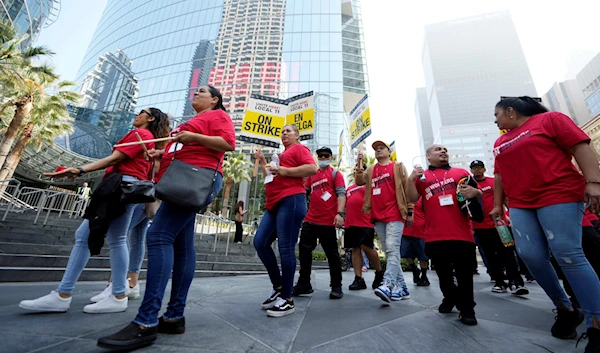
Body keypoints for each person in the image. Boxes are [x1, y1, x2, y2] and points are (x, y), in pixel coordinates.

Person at [98, 86, 235, 351]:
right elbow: (191, 147)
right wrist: (165, 153)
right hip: (185, 175)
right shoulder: (197, 120)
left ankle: (146, 322)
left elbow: (228, 143)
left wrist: (192, 136)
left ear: (215, 100)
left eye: (202, 91)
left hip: (195, 178)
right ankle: (173, 317)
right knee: (183, 247)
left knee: (158, 235)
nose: (196, 93)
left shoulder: (218, 115)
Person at [19, 108, 170, 314]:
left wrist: (80, 170)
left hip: (120, 187)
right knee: (114, 239)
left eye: (141, 112)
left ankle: (66, 295)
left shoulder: (141, 135)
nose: (136, 114)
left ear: (150, 118)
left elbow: (113, 160)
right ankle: (116, 294)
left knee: (86, 236)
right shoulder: (149, 138)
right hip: (128, 187)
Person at [489, 96, 600, 351]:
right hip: (520, 203)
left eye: (497, 115)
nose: (495, 120)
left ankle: (597, 323)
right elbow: (499, 175)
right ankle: (566, 309)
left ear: (510, 110)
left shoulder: (551, 119)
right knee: (530, 255)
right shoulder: (499, 142)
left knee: (568, 254)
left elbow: (581, 147)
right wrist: (497, 204)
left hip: (558, 193)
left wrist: (593, 182)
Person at [406, 144, 482, 326]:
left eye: (445, 150)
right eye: (438, 150)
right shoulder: (422, 177)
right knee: (443, 275)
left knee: (464, 274)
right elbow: (411, 198)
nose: (443, 152)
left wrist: (476, 192)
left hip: (461, 234)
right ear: (428, 156)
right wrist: (411, 179)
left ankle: (467, 309)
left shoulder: (460, 172)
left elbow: (477, 194)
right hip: (434, 235)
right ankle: (450, 297)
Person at [253, 124, 317, 317]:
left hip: (291, 200)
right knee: (260, 242)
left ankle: (287, 299)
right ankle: (279, 286)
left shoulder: (299, 149)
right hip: (273, 204)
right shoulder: (279, 157)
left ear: (297, 136)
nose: (284, 134)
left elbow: (312, 168)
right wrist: (264, 161)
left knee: (286, 248)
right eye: (282, 132)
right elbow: (270, 179)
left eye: (288, 131)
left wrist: (285, 171)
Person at [355, 140, 413, 303]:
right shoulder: (372, 169)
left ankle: (387, 285)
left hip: (395, 213)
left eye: (382, 148)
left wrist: (410, 211)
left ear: (389, 151)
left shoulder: (398, 167)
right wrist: (359, 163)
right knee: (390, 251)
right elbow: (359, 181)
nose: (378, 151)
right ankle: (403, 288)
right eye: (376, 149)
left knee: (392, 250)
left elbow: (407, 189)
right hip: (377, 215)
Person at [469, 160, 528, 295]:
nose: (477, 171)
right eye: (474, 169)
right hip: (480, 227)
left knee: (508, 252)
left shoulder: (494, 182)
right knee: (490, 255)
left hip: (501, 225)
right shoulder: (469, 185)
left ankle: (516, 282)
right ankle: (499, 282)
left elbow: (505, 199)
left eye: (479, 168)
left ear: (484, 169)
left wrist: (513, 215)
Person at [294, 146, 346, 299]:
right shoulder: (312, 175)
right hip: (310, 220)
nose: (323, 158)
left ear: (330, 157)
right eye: (320, 156)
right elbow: (304, 192)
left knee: (332, 255)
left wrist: (340, 213)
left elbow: (342, 194)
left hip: (327, 221)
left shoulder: (336, 174)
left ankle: (336, 286)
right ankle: (304, 284)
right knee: (304, 252)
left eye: (326, 156)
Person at [345, 164, 384, 291]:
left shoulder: (370, 186)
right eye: (355, 169)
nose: (357, 171)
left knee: (367, 247)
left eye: (360, 169)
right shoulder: (349, 188)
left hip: (365, 222)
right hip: (351, 223)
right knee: (355, 249)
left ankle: (379, 273)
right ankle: (358, 278)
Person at [401, 198, 430, 286]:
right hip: (406, 229)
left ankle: (424, 276)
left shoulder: (423, 198)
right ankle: (414, 269)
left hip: (421, 231)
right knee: (405, 253)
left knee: (423, 256)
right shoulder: (404, 196)